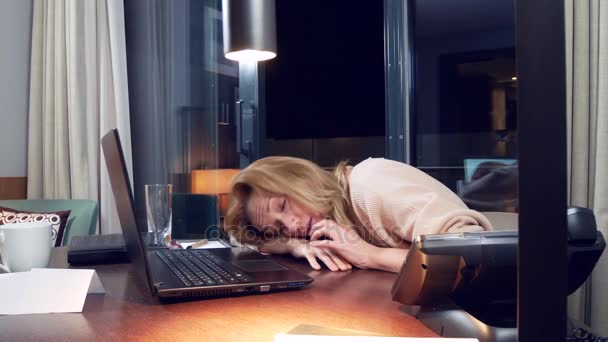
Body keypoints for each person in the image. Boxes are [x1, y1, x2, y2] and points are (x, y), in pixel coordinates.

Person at [224, 156, 493, 273]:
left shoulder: (370, 184)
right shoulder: (329, 217)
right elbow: (247, 240)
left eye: (282, 206)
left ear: (300, 177)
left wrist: (371, 255)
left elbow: (470, 254)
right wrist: (294, 245)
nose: (291, 226)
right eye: (278, 228)